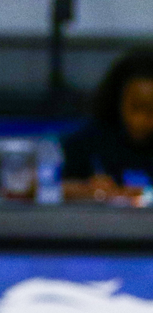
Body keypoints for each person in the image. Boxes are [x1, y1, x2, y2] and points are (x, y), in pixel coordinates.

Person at [64, 49, 153, 203]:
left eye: (152, 110)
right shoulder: (88, 142)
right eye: (136, 107)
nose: (143, 119)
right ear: (117, 99)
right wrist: (86, 189)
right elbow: (45, 187)